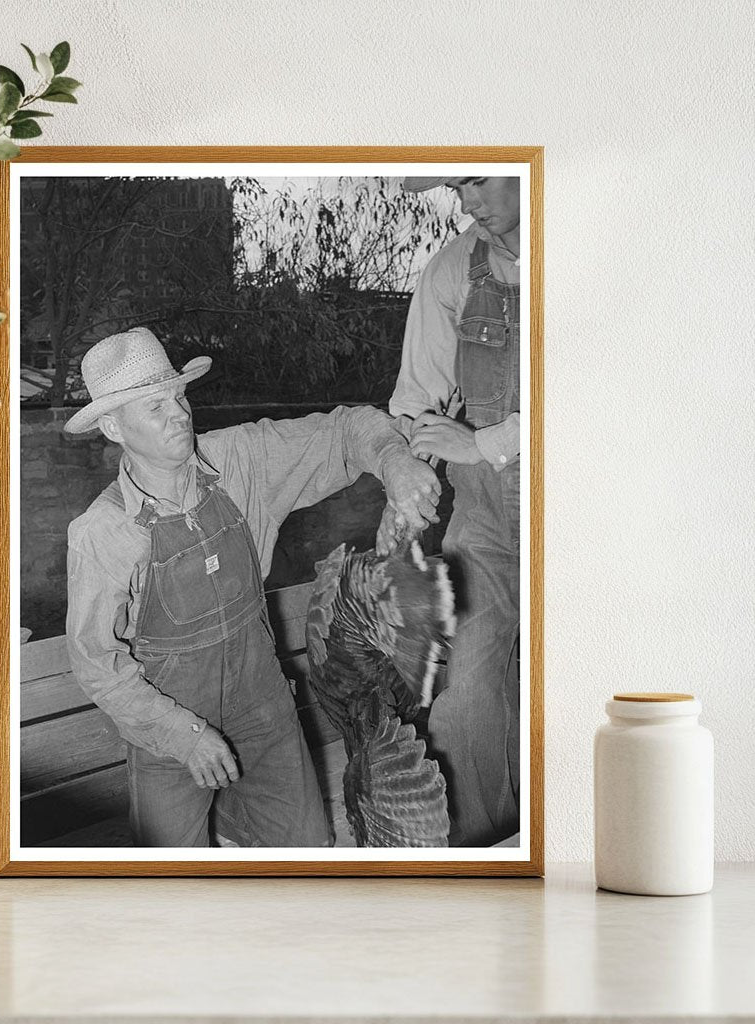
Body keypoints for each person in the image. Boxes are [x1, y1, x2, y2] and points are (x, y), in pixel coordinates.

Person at [65, 326, 441, 847]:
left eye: (179, 397)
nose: (180, 414)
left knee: (308, 852)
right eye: (156, 406)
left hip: (263, 709)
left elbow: (343, 430)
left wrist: (393, 462)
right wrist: (184, 737)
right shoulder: (103, 533)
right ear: (112, 427)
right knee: (169, 880)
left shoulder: (240, 461)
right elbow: (95, 664)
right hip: (168, 731)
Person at [388, 175, 522, 848]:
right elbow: (417, 400)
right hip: (486, 517)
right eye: (455, 186)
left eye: (477, 180)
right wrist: (406, 483)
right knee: (465, 702)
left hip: (590, 510)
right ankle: (484, 860)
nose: (467, 203)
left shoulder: (599, 249)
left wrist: (484, 443)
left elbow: (614, 388)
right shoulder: (452, 271)